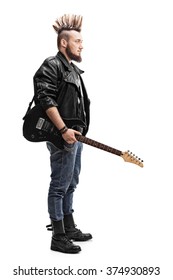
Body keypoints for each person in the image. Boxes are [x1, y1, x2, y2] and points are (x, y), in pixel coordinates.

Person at [33, 14, 92, 254]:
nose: (82, 45)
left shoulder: (74, 71)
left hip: (75, 137)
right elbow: (45, 99)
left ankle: (68, 227)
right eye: (77, 40)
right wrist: (63, 130)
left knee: (71, 182)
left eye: (81, 40)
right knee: (59, 184)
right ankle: (58, 236)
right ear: (63, 43)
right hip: (63, 136)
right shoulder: (52, 64)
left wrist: (77, 132)